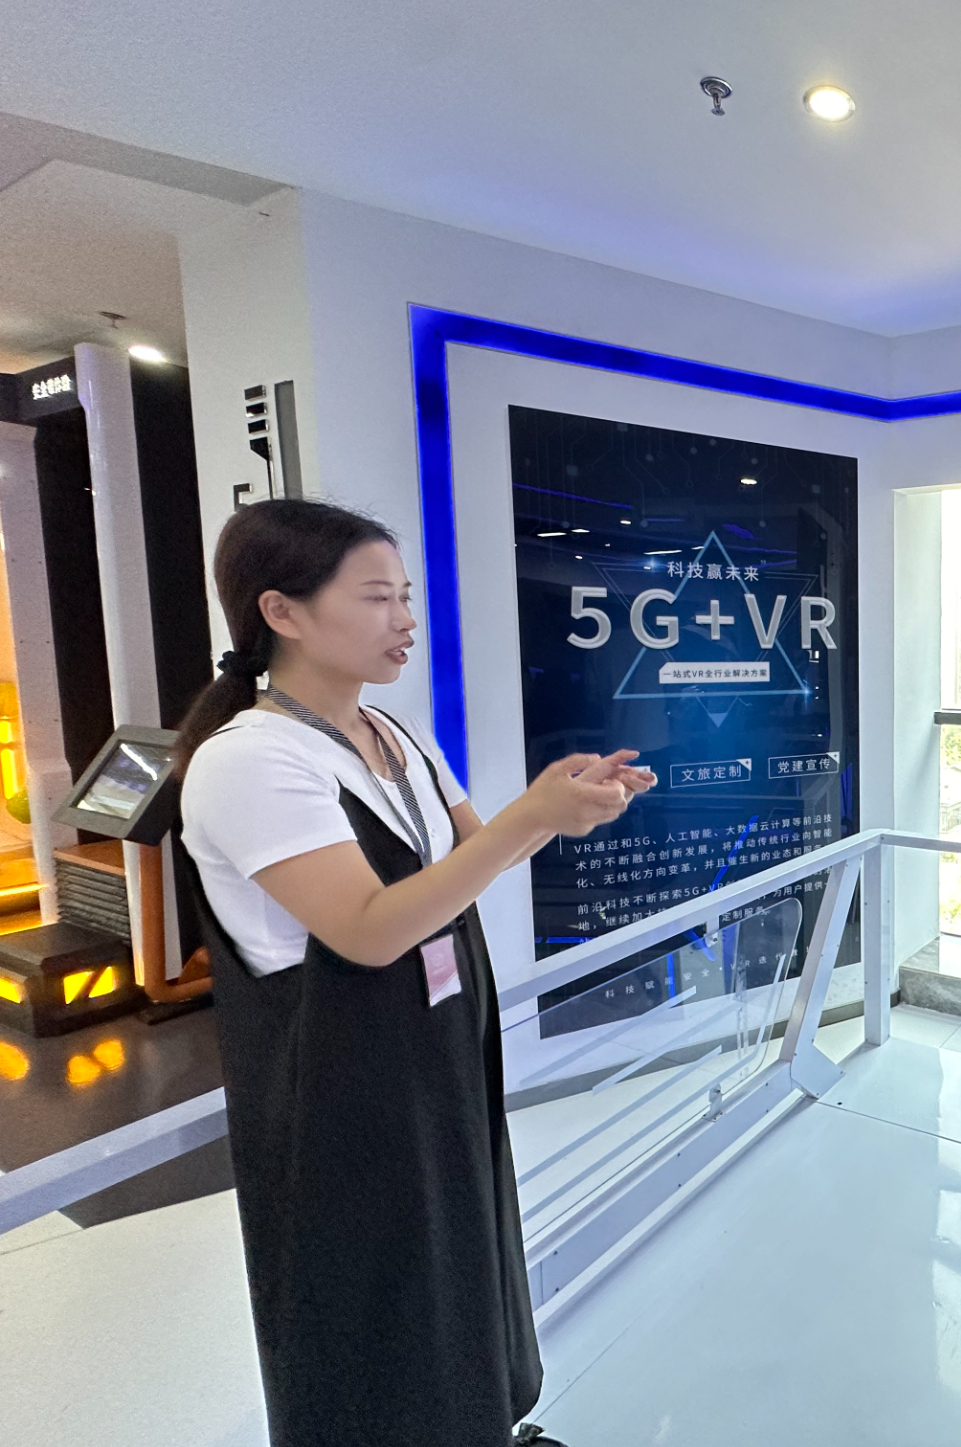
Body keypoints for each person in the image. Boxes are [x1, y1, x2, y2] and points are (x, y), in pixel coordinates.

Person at [176, 498, 655, 1447]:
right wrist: (530, 818)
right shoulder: (251, 760)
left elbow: (468, 862)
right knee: (376, 1291)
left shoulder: (395, 733)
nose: (405, 619)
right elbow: (364, 930)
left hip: (436, 1046)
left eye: (405, 595)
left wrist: (560, 809)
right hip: (340, 1085)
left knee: (460, 1254)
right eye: (376, 597)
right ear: (281, 610)